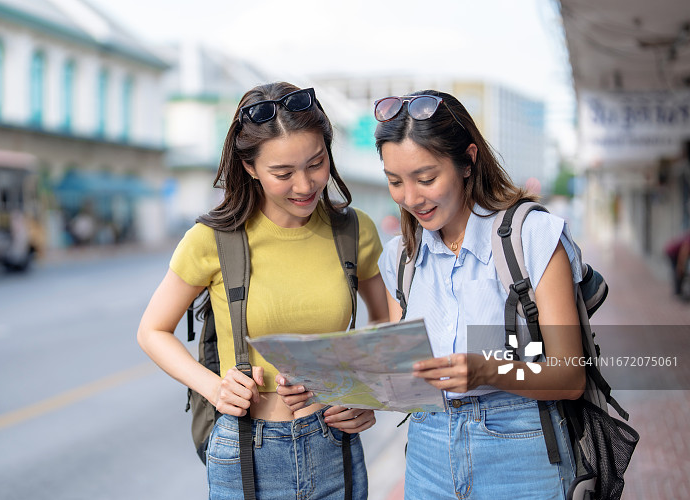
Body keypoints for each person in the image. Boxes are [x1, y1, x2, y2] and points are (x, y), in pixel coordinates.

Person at [137, 82, 389, 500]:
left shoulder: (353, 230)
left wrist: (367, 392)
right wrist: (215, 388)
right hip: (246, 452)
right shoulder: (212, 239)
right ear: (250, 167)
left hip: (335, 446)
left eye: (316, 163)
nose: (305, 185)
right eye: (283, 173)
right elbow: (152, 331)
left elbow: (386, 320)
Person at [373, 90, 585, 499]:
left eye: (426, 178)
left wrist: (488, 371)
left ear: (468, 161)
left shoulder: (531, 237)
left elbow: (571, 375)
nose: (410, 198)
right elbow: (403, 377)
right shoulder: (400, 257)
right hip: (428, 454)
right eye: (395, 181)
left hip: (522, 452)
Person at [664, 230, 690, 297]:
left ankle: (678, 291)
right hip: (673, 253)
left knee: (679, 271)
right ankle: (678, 292)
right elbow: (683, 253)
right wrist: (680, 266)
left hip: (675, 251)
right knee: (678, 271)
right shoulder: (689, 240)